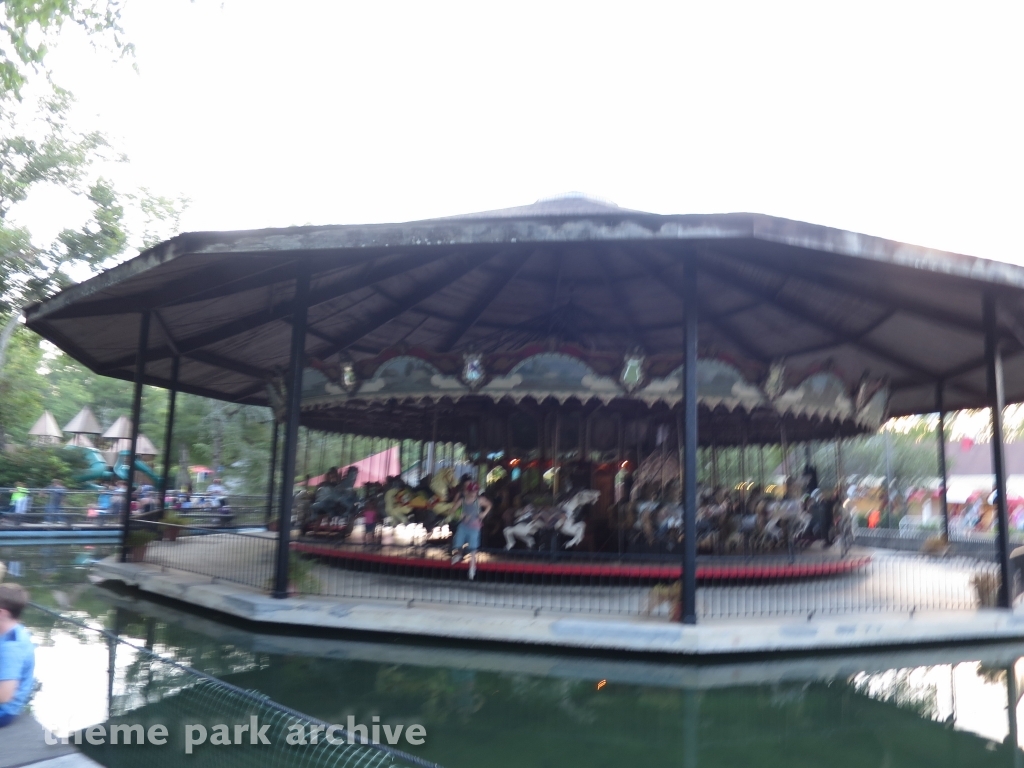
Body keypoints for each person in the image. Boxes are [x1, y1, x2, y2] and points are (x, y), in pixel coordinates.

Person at [0, 584, 35, 728]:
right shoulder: (13, 629)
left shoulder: (11, 649)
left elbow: (4, 696)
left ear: (1, 613)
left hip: (4, 712)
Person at [451, 482, 491, 580]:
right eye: (471, 491)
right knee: (458, 541)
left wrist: (484, 514)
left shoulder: (479, 500)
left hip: (475, 526)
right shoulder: (462, 500)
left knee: (473, 548)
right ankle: (459, 555)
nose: (473, 493)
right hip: (464, 525)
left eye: (475, 491)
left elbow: (489, 505)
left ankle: (472, 568)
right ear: (468, 491)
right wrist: (461, 515)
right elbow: (452, 510)